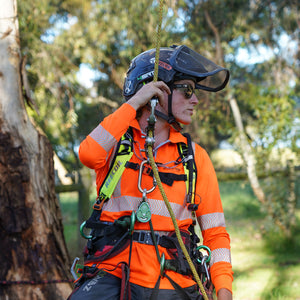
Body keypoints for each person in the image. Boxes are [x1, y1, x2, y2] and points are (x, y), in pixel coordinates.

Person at [68, 45, 233, 300]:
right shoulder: (116, 144)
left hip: (174, 282)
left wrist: (224, 289)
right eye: (186, 89)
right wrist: (136, 102)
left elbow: (215, 233)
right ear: (154, 91)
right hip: (112, 273)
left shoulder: (195, 157)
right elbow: (89, 154)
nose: (195, 99)